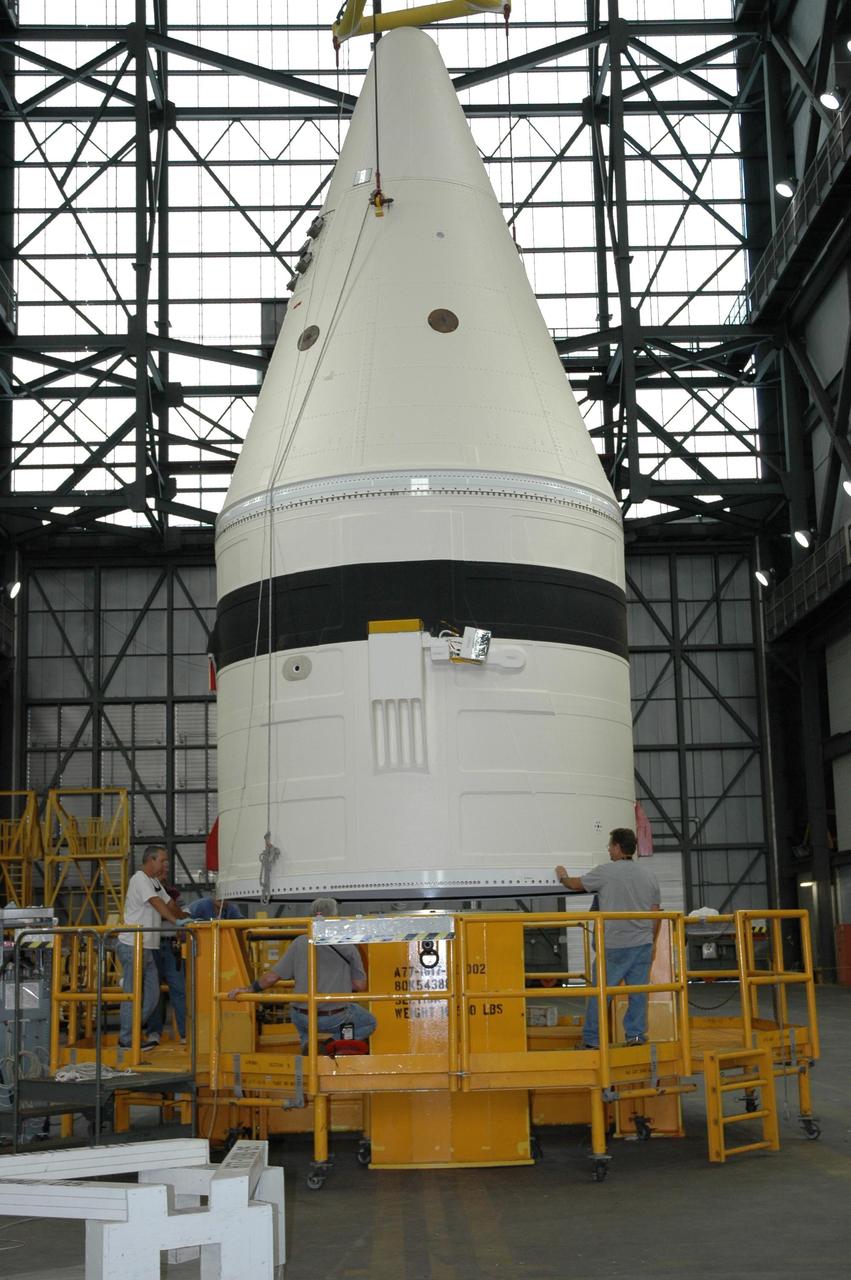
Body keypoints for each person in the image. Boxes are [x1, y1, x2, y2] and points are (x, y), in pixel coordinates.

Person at [555, 828, 661, 1049]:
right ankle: (636, 1036)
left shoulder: (606, 872)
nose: (608, 849)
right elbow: (655, 912)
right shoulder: (649, 876)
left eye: (610, 845)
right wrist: (652, 942)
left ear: (617, 847)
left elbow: (575, 884)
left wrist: (562, 875)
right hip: (642, 943)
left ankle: (593, 1040)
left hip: (614, 945)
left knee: (600, 994)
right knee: (638, 993)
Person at [227, 897, 376, 1050]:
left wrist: (248, 989)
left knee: (305, 1026)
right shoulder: (347, 945)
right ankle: (331, 1044)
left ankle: (308, 1045)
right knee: (369, 1022)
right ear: (334, 917)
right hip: (335, 1016)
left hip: (302, 1016)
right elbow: (360, 985)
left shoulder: (299, 942)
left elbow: (272, 977)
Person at [116, 846, 190, 1050]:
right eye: (163, 860)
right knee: (132, 995)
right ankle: (126, 1040)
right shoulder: (139, 879)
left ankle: (131, 1031)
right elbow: (157, 903)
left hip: (147, 948)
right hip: (133, 946)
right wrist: (176, 922)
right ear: (151, 860)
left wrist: (187, 917)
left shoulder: (155, 882)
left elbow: (170, 903)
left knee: (153, 996)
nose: (165, 864)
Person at [146, 888, 187, 1045]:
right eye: (161, 864)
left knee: (179, 989)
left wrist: (168, 909)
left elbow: (183, 914)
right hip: (151, 945)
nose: (163, 870)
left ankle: (184, 1033)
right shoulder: (146, 891)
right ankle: (154, 1033)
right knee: (152, 991)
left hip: (171, 946)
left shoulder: (174, 893)